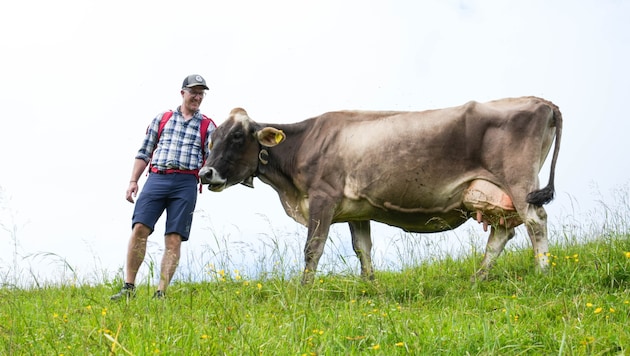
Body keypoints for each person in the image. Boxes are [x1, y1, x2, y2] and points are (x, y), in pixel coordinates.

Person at [111, 74, 215, 300]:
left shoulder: (208, 126)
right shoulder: (163, 119)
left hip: (186, 182)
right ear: (182, 93)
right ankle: (128, 287)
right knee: (140, 228)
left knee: (174, 237)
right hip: (157, 178)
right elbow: (144, 151)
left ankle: (161, 292)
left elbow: (212, 160)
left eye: (201, 93)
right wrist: (133, 181)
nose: (197, 97)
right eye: (193, 92)